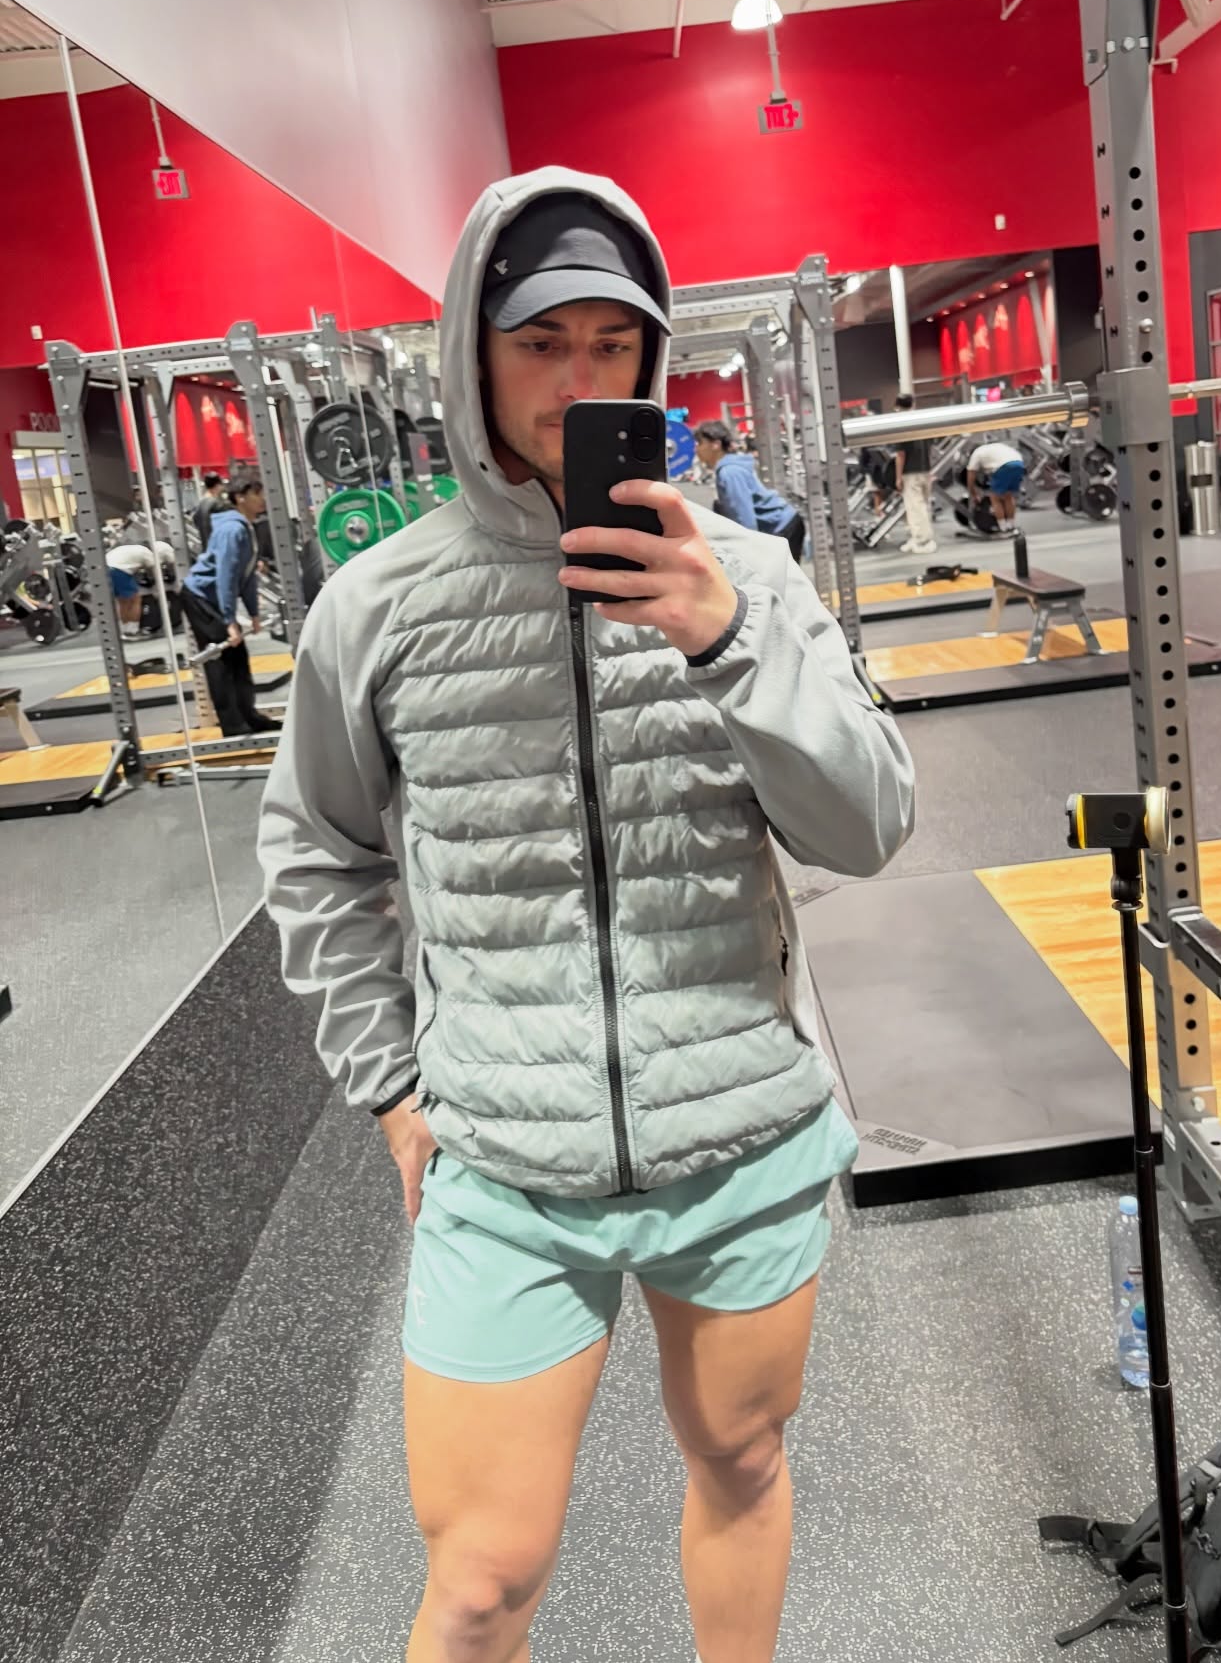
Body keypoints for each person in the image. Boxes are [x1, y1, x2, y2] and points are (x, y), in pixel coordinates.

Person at [257, 171, 915, 1663]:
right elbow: (315, 851)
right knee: (481, 1581)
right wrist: (391, 1084)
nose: (578, 381)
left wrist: (727, 639)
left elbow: (868, 824)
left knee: (741, 1460)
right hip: (505, 1154)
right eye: (541, 343)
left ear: (653, 359)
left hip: (735, 1125)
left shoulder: (749, 576)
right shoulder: (379, 606)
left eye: (613, 345)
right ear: (472, 357)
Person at [178, 474, 280, 736]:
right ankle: (233, 725)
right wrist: (229, 620)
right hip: (201, 597)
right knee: (220, 661)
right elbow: (226, 576)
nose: (262, 499)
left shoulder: (246, 527)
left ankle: (249, 715)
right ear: (240, 497)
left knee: (238, 658)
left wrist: (254, 613)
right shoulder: (232, 529)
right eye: (256, 494)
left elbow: (245, 576)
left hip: (214, 598)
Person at [694, 418, 806, 563]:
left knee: (780, 576)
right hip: (784, 524)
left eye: (700, 443)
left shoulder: (730, 472)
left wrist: (749, 555)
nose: (696, 449)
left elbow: (744, 518)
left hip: (782, 527)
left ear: (715, 444)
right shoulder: (729, 467)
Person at [105, 537, 177, 639]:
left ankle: (125, 630)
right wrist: (155, 579)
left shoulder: (136, 548)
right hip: (119, 571)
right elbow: (153, 571)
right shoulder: (147, 554)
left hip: (107, 568)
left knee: (123, 602)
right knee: (135, 600)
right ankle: (133, 631)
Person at [892, 395, 936, 555]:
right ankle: (920, 537)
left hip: (910, 472)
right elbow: (930, 448)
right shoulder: (921, 421)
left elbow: (900, 454)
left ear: (897, 406)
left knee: (915, 508)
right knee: (924, 506)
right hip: (925, 470)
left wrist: (898, 477)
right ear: (913, 404)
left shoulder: (900, 424)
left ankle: (922, 541)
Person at [966, 438, 1026, 532]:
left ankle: (1002, 527)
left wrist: (973, 494)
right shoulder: (993, 447)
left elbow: (970, 477)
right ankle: (1010, 525)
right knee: (1008, 497)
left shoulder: (976, 454)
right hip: (1018, 463)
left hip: (1004, 466)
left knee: (995, 498)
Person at [190, 472, 227, 549]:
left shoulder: (200, 504)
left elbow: (195, 521)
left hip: (206, 546)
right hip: (218, 546)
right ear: (217, 485)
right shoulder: (216, 504)